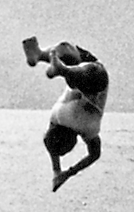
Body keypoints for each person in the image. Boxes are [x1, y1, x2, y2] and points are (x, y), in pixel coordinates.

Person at [23, 37, 109, 192]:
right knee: (66, 49)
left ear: (74, 142)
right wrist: (59, 171)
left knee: (82, 75)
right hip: (86, 77)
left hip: (93, 79)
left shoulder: (88, 129)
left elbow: (94, 154)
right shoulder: (56, 117)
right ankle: (43, 56)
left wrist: (65, 173)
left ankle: (62, 68)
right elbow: (48, 140)